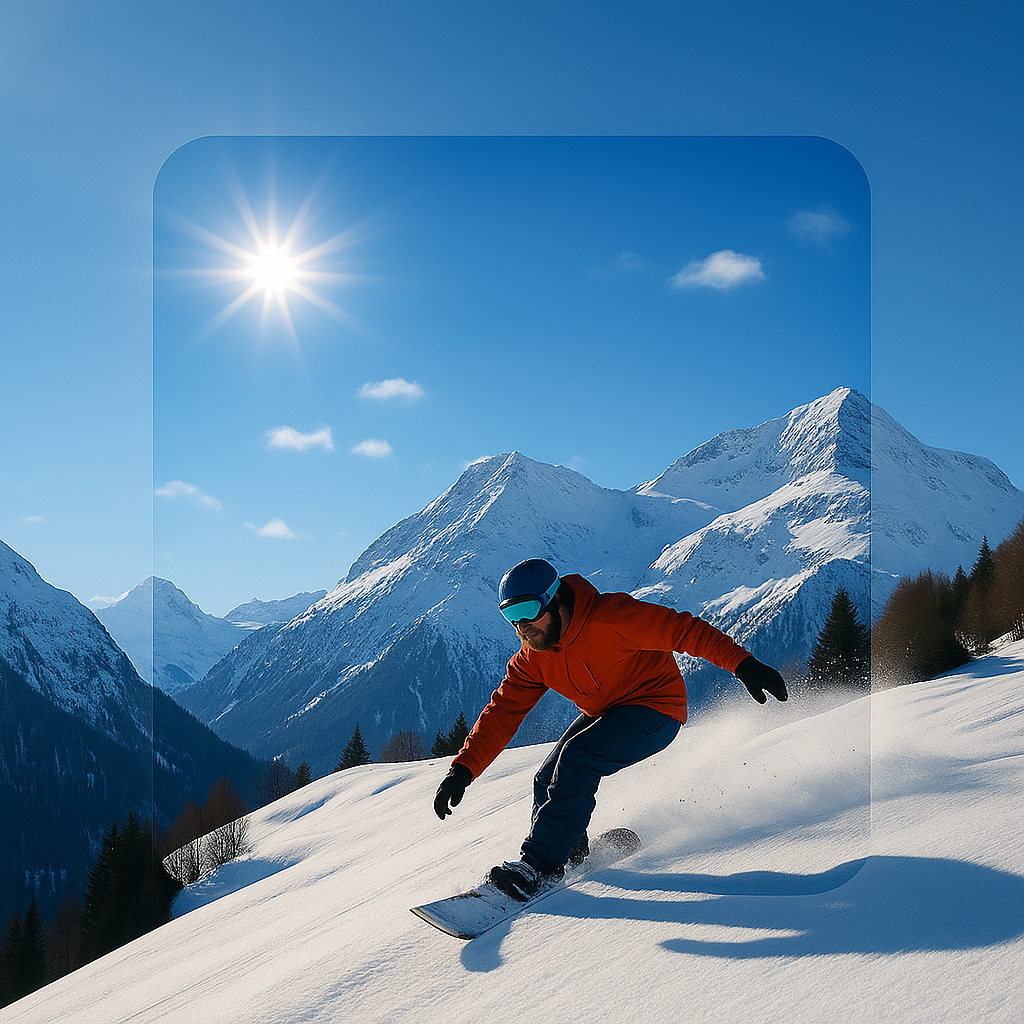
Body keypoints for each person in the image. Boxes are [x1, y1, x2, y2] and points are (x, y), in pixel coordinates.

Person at [433, 557, 788, 901]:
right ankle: (569, 852)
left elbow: (685, 631)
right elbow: (503, 712)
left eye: (528, 611)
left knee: (577, 759)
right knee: (546, 777)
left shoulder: (613, 618)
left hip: (657, 708)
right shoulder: (534, 658)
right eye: (511, 616)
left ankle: (538, 866)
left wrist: (742, 664)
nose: (522, 626)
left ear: (555, 601)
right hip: (607, 710)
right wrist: (462, 770)